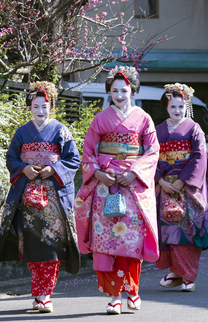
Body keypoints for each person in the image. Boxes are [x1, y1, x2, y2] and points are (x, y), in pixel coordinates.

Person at [74, 66, 160, 315]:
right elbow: (88, 151)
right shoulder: (100, 119)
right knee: (106, 242)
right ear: (109, 92)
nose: (120, 95)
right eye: (115, 91)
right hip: (106, 186)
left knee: (131, 241)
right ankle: (113, 296)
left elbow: (152, 150)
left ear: (132, 90)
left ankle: (132, 290)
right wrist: (98, 173)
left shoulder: (143, 118)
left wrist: (134, 172)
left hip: (131, 186)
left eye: (124, 90)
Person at [0, 81, 81, 313]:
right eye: (36, 106)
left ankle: (45, 295)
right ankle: (39, 292)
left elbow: (73, 159)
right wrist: (23, 168)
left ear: (51, 106)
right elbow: (11, 158)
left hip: (52, 196)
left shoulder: (61, 131)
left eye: (44, 106)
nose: (40, 111)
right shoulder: (22, 132)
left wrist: (54, 169)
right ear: (29, 107)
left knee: (51, 245)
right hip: (29, 198)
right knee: (31, 245)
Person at [155, 83, 208, 292]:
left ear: (186, 106)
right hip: (165, 186)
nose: (177, 111)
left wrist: (183, 180)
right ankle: (174, 271)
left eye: (181, 107)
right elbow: (152, 156)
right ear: (166, 108)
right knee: (168, 228)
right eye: (173, 107)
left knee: (188, 230)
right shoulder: (159, 130)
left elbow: (199, 156)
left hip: (187, 186)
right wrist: (160, 180)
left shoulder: (193, 128)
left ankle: (188, 274)